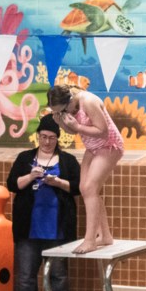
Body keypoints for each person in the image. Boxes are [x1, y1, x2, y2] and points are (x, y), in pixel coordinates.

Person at [6, 114, 81, 291]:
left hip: (57, 228)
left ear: (58, 139)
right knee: (26, 274)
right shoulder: (24, 159)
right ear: (38, 136)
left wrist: (58, 183)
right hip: (29, 228)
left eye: (52, 138)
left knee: (58, 274)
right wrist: (31, 176)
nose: (47, 142)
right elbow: (12, 184)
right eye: (44, 137)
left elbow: (78, 187)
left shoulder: (68, 161)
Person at [47, 85, 123, 254]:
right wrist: (61, 123)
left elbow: (102, 132)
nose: (63, 114)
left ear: (70, 101)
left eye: (62, 111)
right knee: (84, 188)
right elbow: (73, 131)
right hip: (92, 147)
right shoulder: (68, 108)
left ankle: (90, 241)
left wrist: (78, 127)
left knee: (90, 188)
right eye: (58, 113)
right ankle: (105, 235)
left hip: (110, 145)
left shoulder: (87, 101)